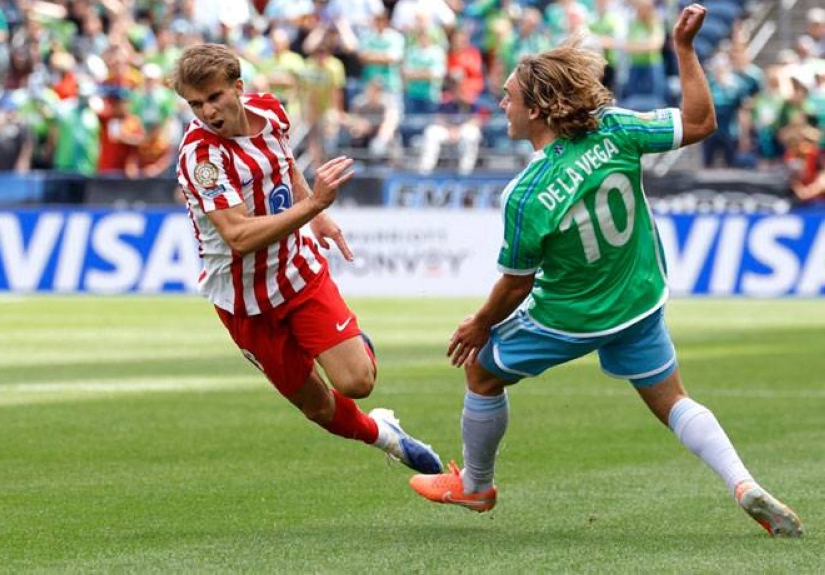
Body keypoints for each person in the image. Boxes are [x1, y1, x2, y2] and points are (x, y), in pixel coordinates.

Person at [409, 5, 804, 537]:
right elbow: (701, 122)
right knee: (673, 401)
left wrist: (480, 323)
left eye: (511, 96)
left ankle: (476, 486)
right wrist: (684, 51)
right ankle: (741, 483)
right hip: (639, 300)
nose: (502, 103)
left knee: (481, 368)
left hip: (569, 317)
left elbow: (517, 283)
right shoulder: (616, 130)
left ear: (540, 110)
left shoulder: (525, 194)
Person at [172, 43, 442, 476]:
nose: (207, 112)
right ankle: (385, 434)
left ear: (238, 88)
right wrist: (313, 206)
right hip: (244, 300)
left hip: (298, 271)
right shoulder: (202, 158)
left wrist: (318, 218)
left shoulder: (271, 110)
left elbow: (283, 166)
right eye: (195, 104)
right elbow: (238, 237)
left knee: (357, 382)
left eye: (215, 97)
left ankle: (351, 352)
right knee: (319, 408)